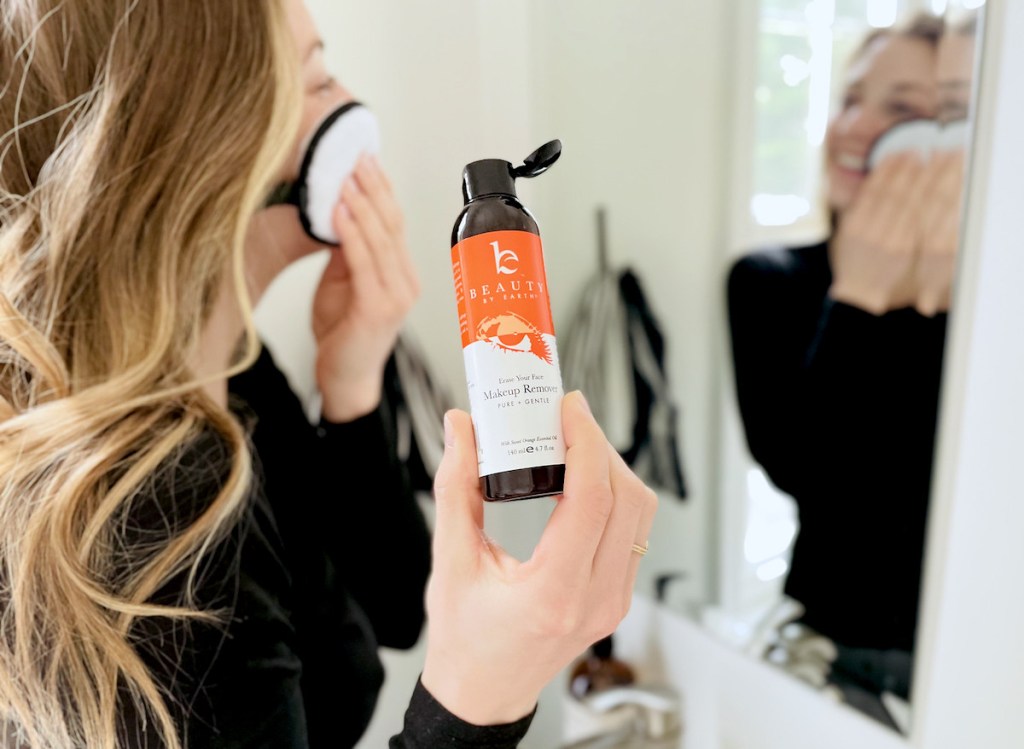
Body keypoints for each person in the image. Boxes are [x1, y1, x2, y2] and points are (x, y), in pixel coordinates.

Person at [0, 2, 658, 748]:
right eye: (317, 78)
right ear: (210, 147)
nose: (350, 109)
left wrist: (352, 382)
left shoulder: (233, 372)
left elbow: (402, 605)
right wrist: (479, 704)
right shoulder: (153, 512)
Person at [726, 10, 971, 719]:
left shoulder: (991, 307)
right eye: (851, 99)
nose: (855, 126)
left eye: (898, 109)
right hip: (829, 646)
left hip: (968, 650)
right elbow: (801, 471)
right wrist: (861, 296)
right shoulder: (768, 279)